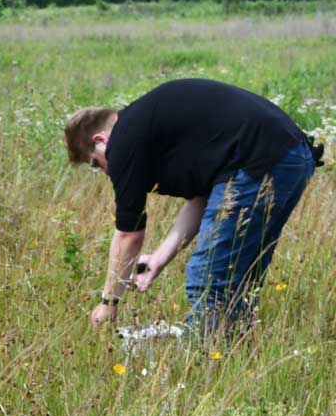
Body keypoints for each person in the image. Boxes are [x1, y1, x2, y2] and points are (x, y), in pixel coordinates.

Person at [66, 78, 319, 337]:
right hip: (291, 157)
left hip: (261, 160)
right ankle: (232, 352)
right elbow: (204, 197)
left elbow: (129, 234)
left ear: (100, 140)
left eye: (96, 164)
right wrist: (159, 258)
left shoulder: (123, 142)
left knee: (208, 275)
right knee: (237, 276)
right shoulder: (148, 126)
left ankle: (208, 358)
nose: (106, 171)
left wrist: (109, 304)